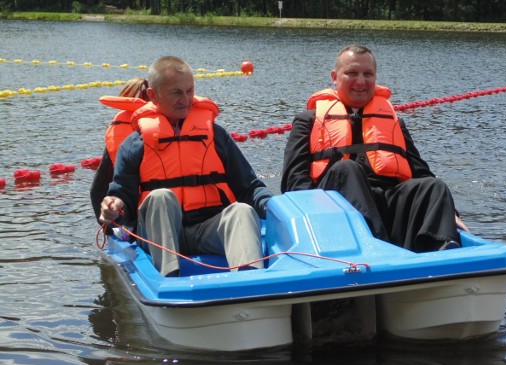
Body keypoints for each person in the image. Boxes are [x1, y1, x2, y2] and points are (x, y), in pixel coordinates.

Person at [281, 44, 468, 252]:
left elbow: (420, 172)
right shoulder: (308, 121)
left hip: (386, 202)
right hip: (335, 211)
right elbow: (293, 182)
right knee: (348, 169)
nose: (360, 81)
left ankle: (441, 251)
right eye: (352, 73)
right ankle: (378, 246)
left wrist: (450, 212)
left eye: (367, 74)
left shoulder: (394, 121)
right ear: (335, 77)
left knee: (433, 186)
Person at [100, 56, 272, 276]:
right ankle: (170, 281)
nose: (186, 99)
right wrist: (114, 206)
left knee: (242, 211)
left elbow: (249, 187)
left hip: (208, 229)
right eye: (176, 92)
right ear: (153, 95)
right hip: (159, 235)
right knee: (160, 197)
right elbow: (122, 198)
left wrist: (272, 205)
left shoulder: (216, 136)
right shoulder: (135, 145)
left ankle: (251, 284)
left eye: (189, 91)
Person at [90, 77, 149, 223]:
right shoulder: (162, 127)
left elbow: (96, 190)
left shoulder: (117, 127)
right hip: (155, 209)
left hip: (127, 211)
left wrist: (107, 226)